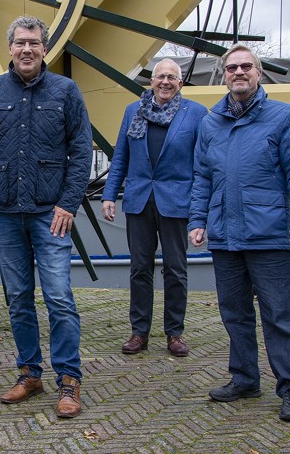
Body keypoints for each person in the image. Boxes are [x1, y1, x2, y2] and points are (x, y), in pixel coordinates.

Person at [0, 16, 93, 418]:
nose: (26, 50)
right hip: (4, 215)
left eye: (33, 43)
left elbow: (82, 150)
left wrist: (68, 204)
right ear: (10, 48)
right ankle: (29, 374)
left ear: (44, 48)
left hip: (49, 214)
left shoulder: (66, 91)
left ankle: (68, 381)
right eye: (20, 43)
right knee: (18, 298)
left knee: (58, 297)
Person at [188, 43, 290, 423]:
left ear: (259, 73)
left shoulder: (285, 116)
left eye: (246, 67)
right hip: (225, 236)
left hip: (269, 234)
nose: (238, 73)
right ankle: (244, 378)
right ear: (224, 75)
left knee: (279, 315)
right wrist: (197, 220)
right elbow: (202, 177)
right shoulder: (210, 123)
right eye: (231, 68)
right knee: (235, 314)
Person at [101, 59, 207, 357]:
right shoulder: (133, 111)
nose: (165, 82)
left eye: (172, 77)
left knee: (176, 269)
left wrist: (201, 206)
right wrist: (110, 194)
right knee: (139, 269)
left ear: (180, 83)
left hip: (176, 201)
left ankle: (174, 333)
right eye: (160, 76)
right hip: (138, 199)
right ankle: (139, 332)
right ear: (152, 81)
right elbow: (120, 156)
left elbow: (202, 164)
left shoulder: (196, 114)